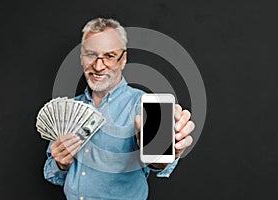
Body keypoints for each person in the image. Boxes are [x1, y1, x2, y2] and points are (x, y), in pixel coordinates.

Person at [44, 17, 195, 200]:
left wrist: (164, 153)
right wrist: (61, 164)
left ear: (123, 59)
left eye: (109, 56)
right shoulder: (67, 109)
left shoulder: (143, 106)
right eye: (91, 54)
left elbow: (158, 164)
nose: (98, 66)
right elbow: (52, 173)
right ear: (81, 58)